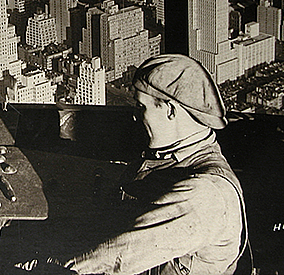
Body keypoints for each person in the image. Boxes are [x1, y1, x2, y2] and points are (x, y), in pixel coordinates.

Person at [18, 54, 246, 275]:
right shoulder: (167, 158)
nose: (136, 116)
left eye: (141, 107)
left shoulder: (207, 195)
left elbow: (116, 258)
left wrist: (49, 265)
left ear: (170, 110)